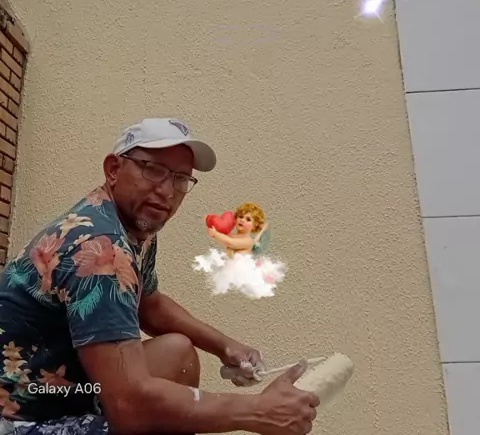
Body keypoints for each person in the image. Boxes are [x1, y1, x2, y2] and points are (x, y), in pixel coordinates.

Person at [0, 118, 318, 435]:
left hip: (59, 391)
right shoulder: (101, 250)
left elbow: (148, 305)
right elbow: (129, 405)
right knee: (149, 413)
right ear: (113, 169)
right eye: (153, 170)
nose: (166, 191)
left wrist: (225, 347)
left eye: (181, 178)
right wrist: (258, 412)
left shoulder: (131, 227)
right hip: (20, 419)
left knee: (176, 353)